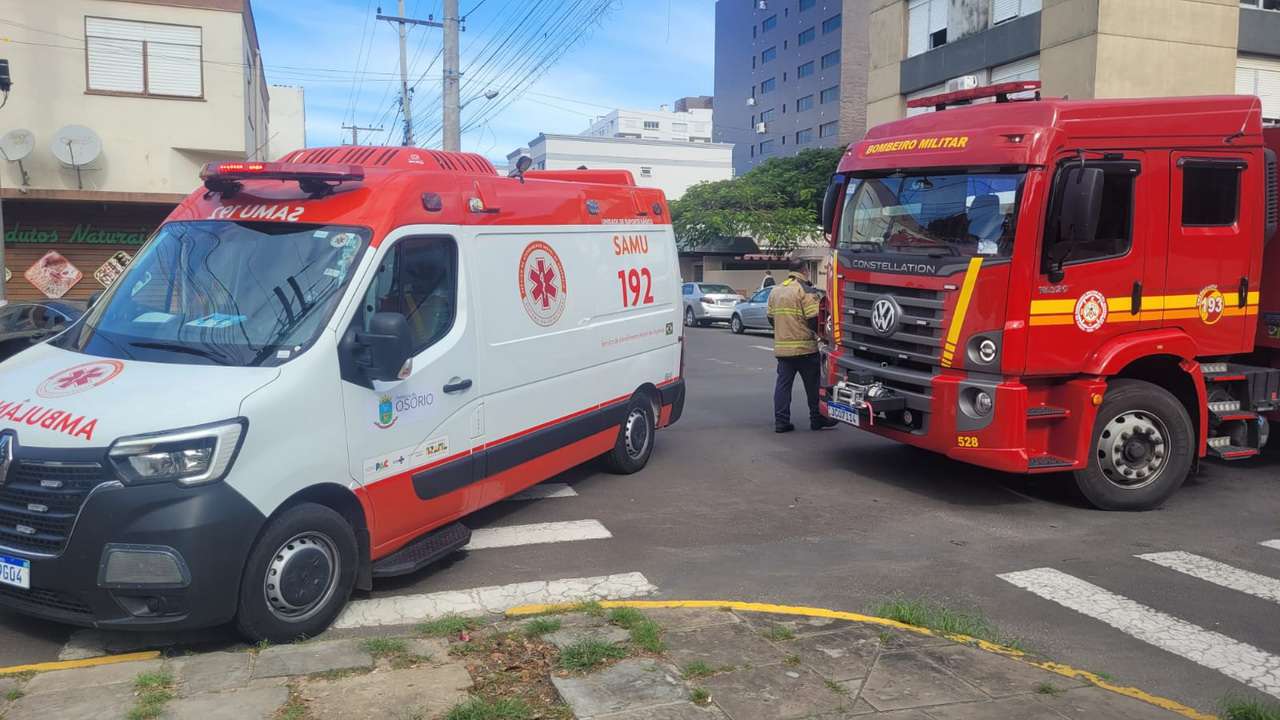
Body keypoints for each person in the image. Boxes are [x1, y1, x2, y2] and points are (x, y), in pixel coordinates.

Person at [767, 266, 839, 433]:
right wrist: (822, 336)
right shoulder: (805, 290)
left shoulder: (776, 290)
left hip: (783, 350)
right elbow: (814, 319)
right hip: (805, 348)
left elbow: (770, 318)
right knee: (812, 386)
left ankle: (781, 422)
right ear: (805, 271)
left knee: (783, 386)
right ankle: (816, 419)